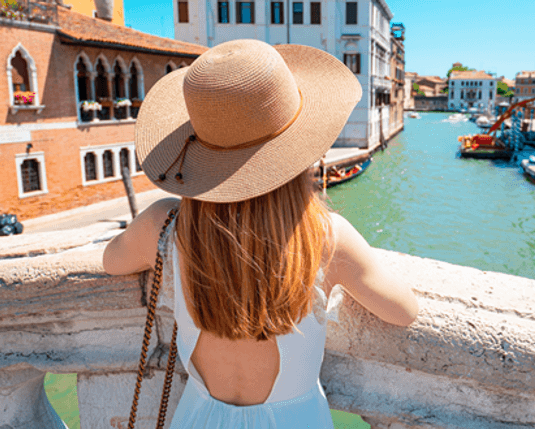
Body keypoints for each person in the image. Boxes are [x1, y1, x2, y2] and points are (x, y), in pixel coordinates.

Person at [102, 40, 419, 428]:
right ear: (299, 149)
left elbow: (111, 260)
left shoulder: (163, 224)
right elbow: (404, 311)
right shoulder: (326, 237)